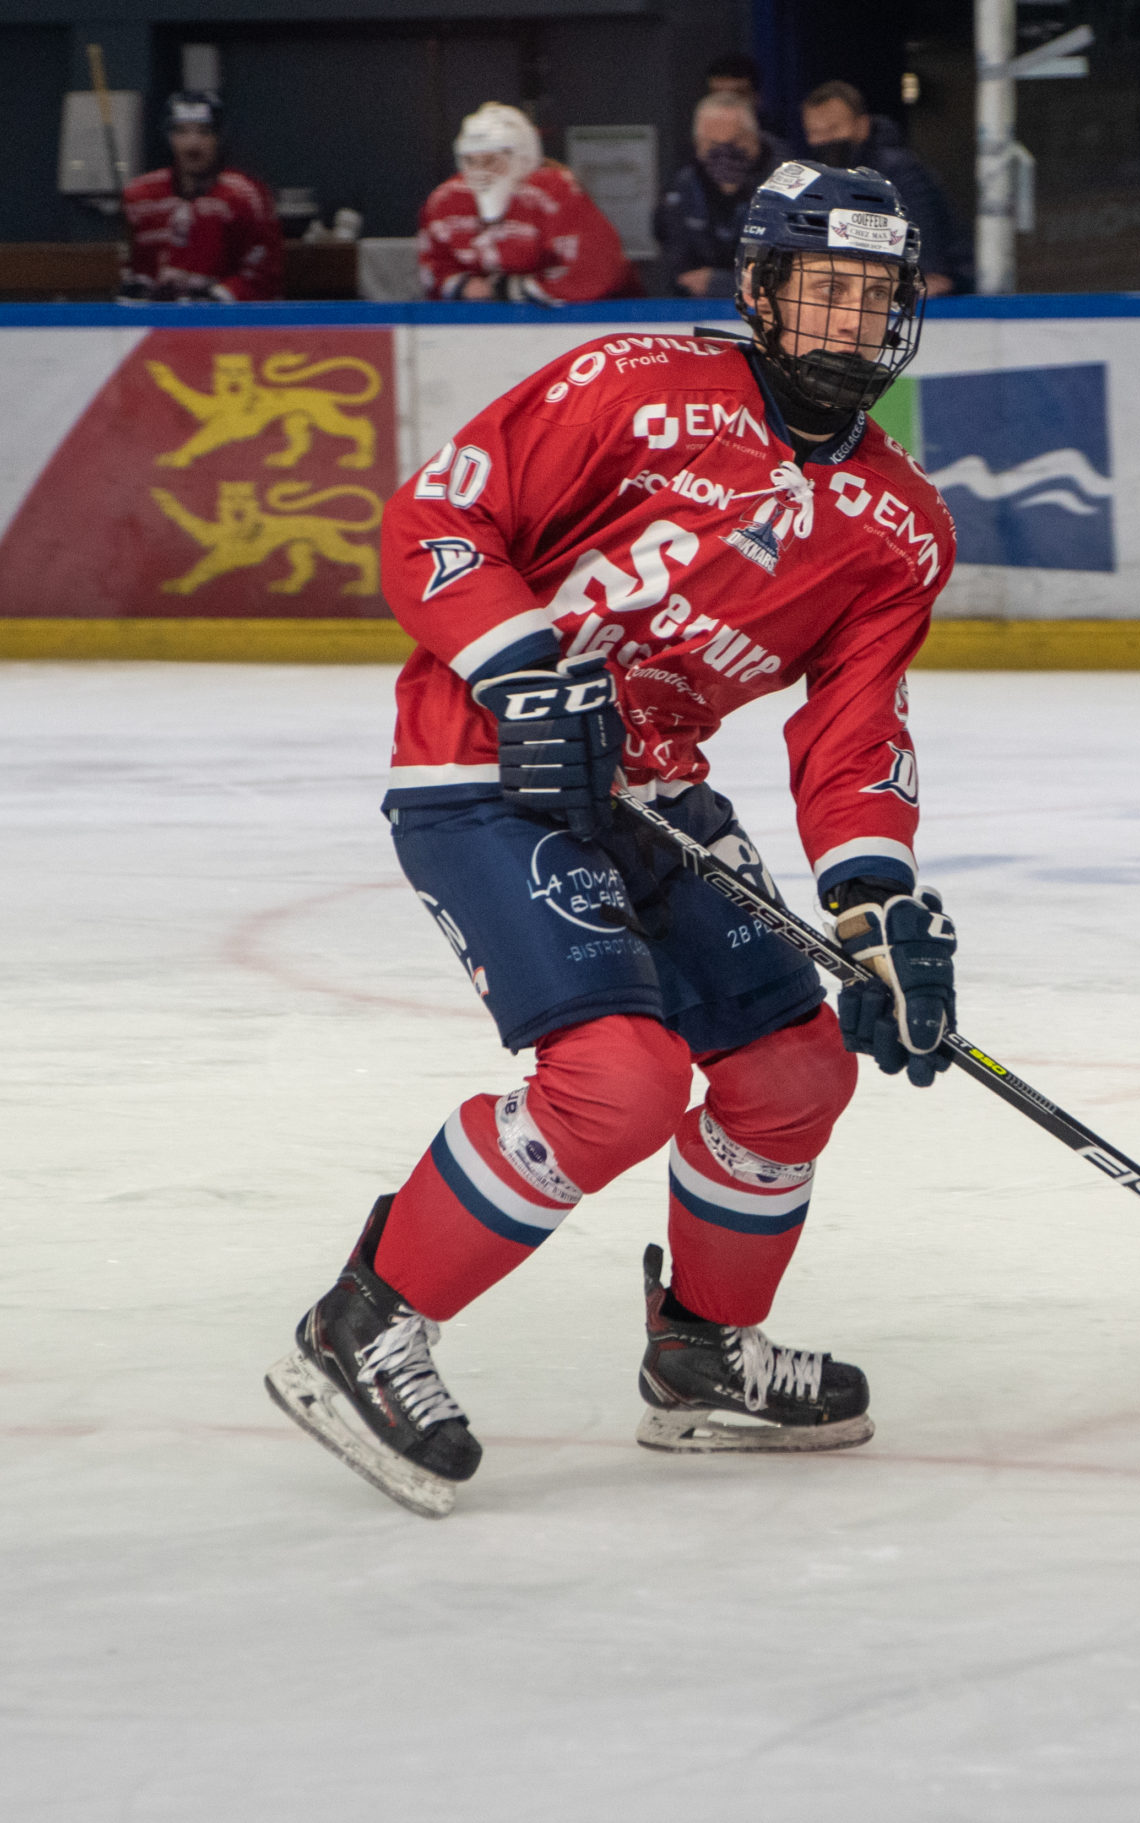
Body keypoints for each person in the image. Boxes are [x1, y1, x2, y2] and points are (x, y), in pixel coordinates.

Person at [265, 159, 959, 1517]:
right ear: (758, 290)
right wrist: (526, 671)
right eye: (821, 290)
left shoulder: (904, 528)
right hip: (484, 762)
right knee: (617, 1080)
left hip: (658, 793)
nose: (850, 322)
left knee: (795, 1073)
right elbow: (438, 516)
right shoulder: (634, 384)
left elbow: (855, 728)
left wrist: (876, 902)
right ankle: (364, 1322)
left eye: (874, 296)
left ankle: (700, 1356)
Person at [417, 101, 639, 303]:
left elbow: (594, 272)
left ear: (522, 157)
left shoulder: (556, 191)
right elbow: (435, 266)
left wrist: (515, 289)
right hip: (491, 324)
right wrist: (461, 285)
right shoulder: (445, 201)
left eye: (491, 160)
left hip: (596, 318)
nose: (481, 172)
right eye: (471, 161)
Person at [800, 81, 969, 295]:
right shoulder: (817, 179)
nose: (824, 140)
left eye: (833, 129)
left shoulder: (897, 168)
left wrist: (928, 271)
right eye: (815, 132)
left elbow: (923, 220)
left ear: (862, 125)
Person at [119, 90, 283, 302]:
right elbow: (136, 272)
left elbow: (263, 277)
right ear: (168, 137)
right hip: (162, 319)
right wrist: (139, 288)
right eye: (181, 131)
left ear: (219, 137)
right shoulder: (141, 196)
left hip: (227, 319)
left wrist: (214, 298)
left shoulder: (246, 196)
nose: (192, 144)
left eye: (204, 132)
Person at [655, 91, 791, 297]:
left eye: (734, 142)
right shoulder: (683, 186)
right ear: (698, 144)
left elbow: (795, 270)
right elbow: (676, 265)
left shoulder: (790, 184)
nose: (725, 155)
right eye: (713, 145)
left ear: (754, 138)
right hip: (699, 307)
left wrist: (725, 284)